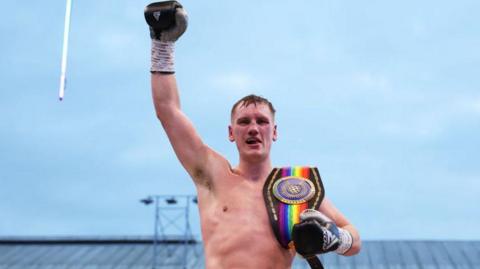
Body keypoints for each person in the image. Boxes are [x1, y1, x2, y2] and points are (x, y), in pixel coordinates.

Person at [144, 2, 361, 268]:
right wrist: (162, 46)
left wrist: (334, 238)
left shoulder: (295, 187)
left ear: (275, 131)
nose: (254, 128)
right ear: (231, 132)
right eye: (244, 121)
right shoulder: (212, 174)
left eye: (262, 121)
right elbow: (168, 112)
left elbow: (355, 239)